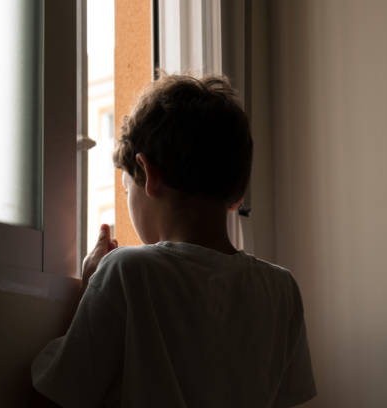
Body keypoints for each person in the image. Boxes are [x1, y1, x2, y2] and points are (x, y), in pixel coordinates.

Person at [30, 74, 316, 407]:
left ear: (148, 174)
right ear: (238, 194)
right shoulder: (282, 289)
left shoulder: (126, 271)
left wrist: (89, 288)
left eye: (126, 190)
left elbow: (63, 391)